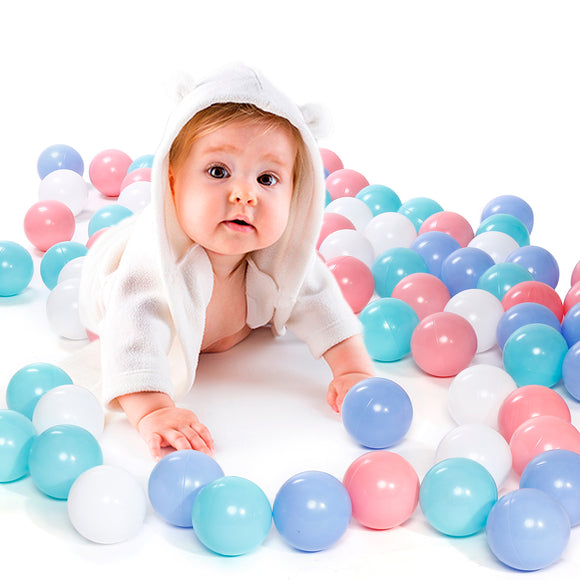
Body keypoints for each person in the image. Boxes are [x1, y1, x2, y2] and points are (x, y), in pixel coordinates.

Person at [78, 63, 374, 460]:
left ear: (295, 195)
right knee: (127, 273)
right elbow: (133, 332)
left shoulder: (283, 255)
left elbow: (323, 303)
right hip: (112, 275)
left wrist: (351, 368)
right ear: (172, 182)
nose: (244, 195)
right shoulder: (154, 267)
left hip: (214, 319)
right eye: (219, 171)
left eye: (267, 179)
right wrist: (153, 408)